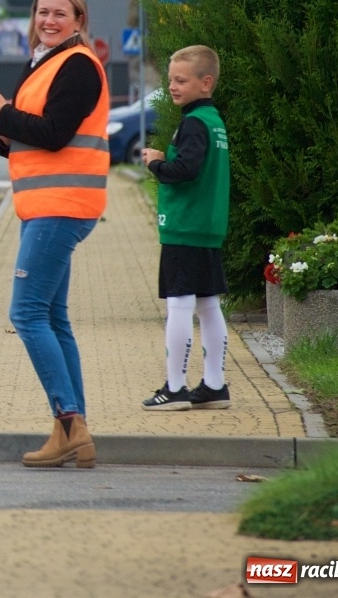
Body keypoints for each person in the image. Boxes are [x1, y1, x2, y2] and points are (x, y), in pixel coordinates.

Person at [0, 0, 109, 469]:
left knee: (27, 314)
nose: (50, 21)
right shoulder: (46, 63)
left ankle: (70, 422)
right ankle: (74, 433)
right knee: (54, 318)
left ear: (79, 20)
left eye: (61, 13)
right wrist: (5, 125)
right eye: (43, 13)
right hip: (48, 204)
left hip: (61, 204)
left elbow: (55, 135)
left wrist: (4, 114)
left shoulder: (76, 66)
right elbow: (23, 135)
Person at [139, 46, 231, 411]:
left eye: (181, 80)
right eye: (170, 80)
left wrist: (156, 165)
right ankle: (214, 384)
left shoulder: (193, 123)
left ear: (205, 82)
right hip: (207, 226)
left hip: (185, 226)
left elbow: (186, 170)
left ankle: (175, 387)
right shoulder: (214, 121)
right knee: (208, 304)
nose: (172, 87)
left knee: (179, 304)